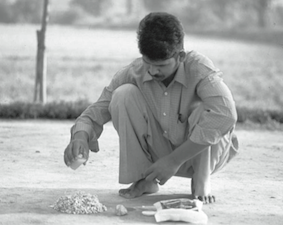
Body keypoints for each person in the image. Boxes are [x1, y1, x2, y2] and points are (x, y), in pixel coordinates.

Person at [64, 12, 239, 204]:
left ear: (180, 56)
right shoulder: (134, 72)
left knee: (207, 106)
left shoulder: (198, 68)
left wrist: (174, 160)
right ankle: (145, 179)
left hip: (204, 155)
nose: (153, 71)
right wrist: (80, 135)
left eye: (161, 65)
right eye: (148, 63)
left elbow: (226, 113)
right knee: (123, 95)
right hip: (160, 160)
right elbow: (96, 111)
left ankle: (201, 180)